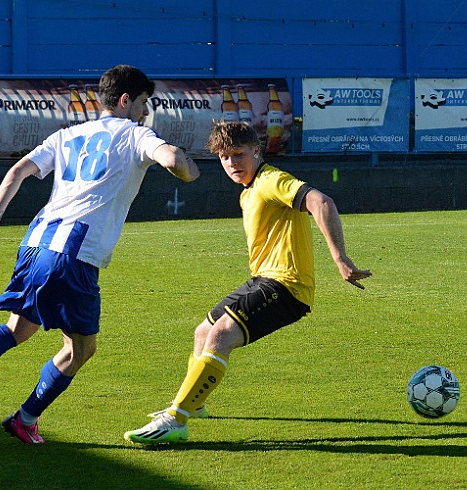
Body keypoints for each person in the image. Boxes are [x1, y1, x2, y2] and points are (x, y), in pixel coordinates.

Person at [0, 65, 200, 444]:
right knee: (82, 347)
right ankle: (25, 417)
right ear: (125, 100)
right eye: (143, 103)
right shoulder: (136, 134)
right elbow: (173, 162)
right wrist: (183, 162)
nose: (146, 112)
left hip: (36, 244)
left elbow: (17, 171)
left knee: (18, 329)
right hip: (73, 255)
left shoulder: (68, 135)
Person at [124, 121, 371, 444]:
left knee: (222, 335)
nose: (232, 164)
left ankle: (176, 419)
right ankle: (194, 403)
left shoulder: (271, 180)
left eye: (238, 155)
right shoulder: (249, 191)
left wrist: (340, 258)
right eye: (224, 157)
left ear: (257, 151)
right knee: (203, 332)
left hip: (287, 286)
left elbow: (321, 202)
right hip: (262, 280)